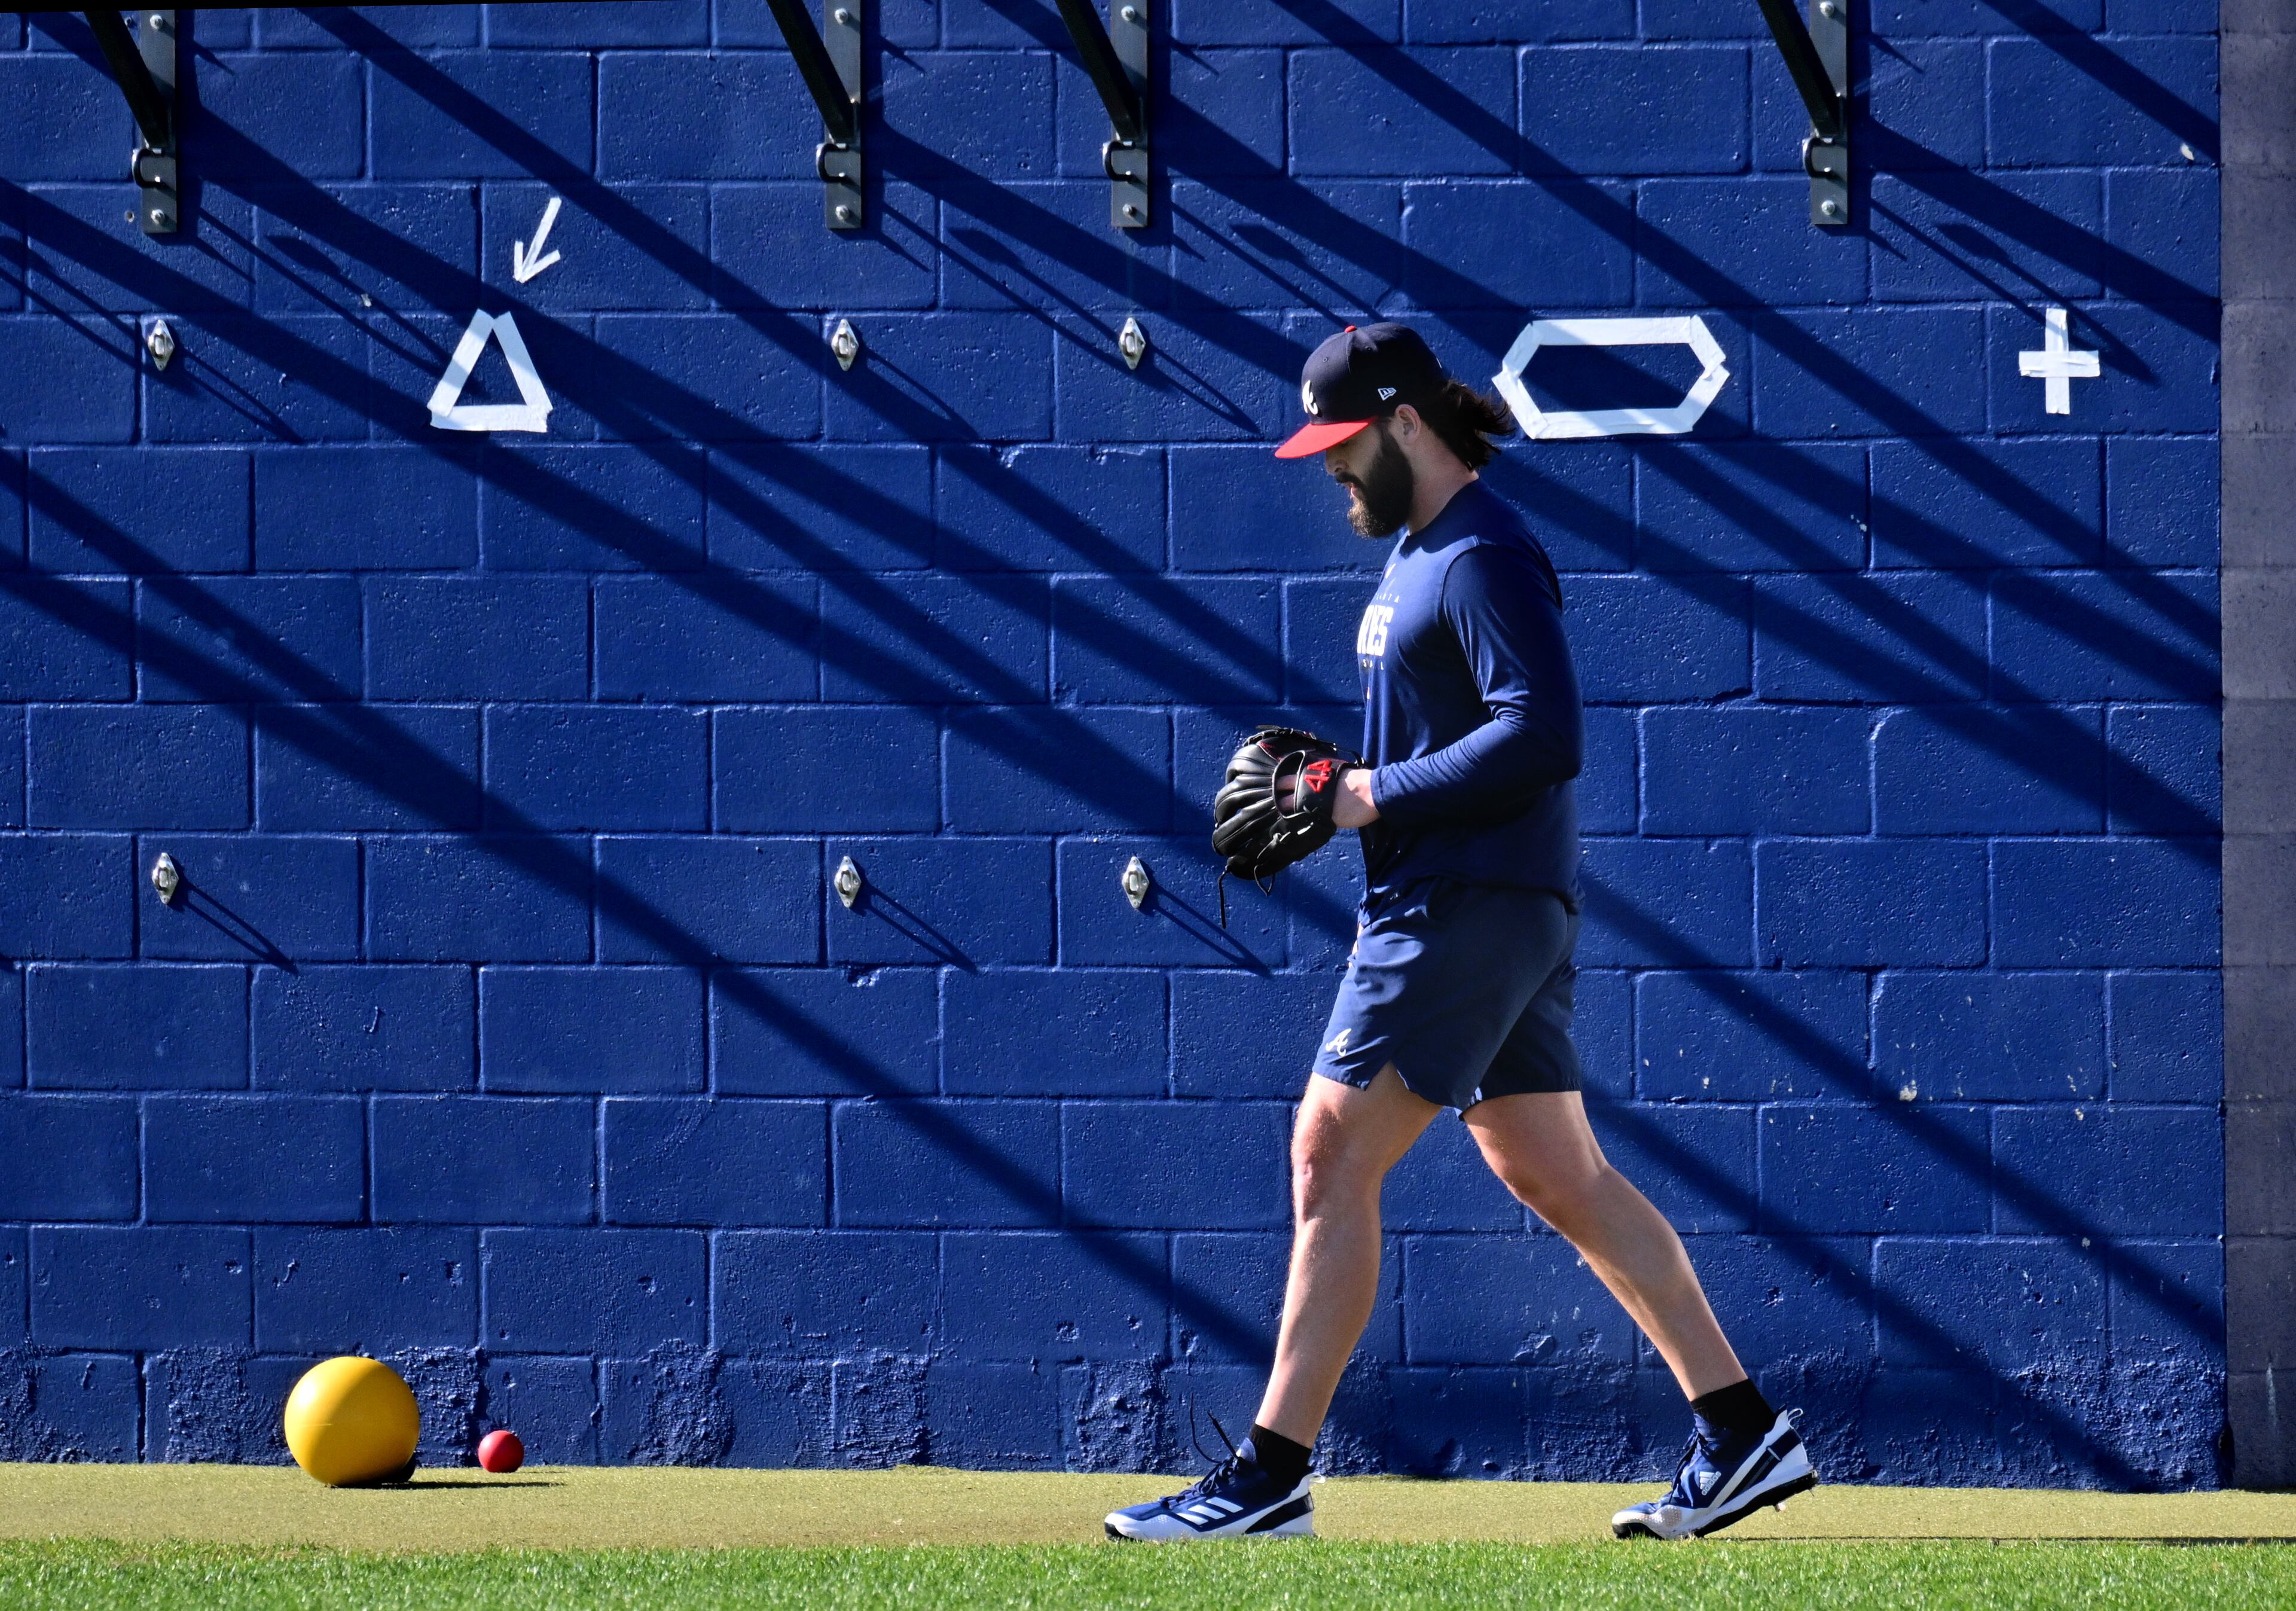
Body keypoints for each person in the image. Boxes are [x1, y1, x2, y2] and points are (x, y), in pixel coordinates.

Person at [1105, 324, 1817, 1543]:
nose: (1332, 472)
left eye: (1344, 445)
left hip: (1467, 904)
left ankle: (1268, 1481)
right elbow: (1448, 735)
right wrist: (1339, 777)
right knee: (1555, 1172)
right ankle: (1745, 1434)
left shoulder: (1485, 552)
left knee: (1330, 1149)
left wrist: (1365, 794)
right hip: (1486, 902)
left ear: (1406, 425)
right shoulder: (1422, 556)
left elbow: (1544, 735)